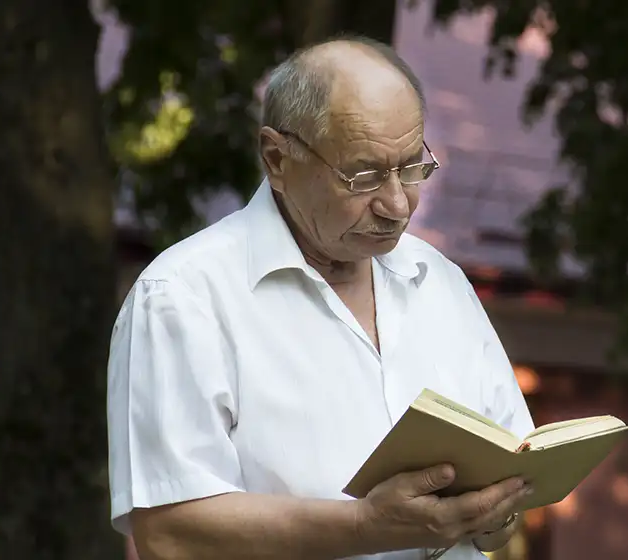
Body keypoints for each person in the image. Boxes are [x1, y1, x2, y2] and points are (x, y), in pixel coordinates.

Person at [107, 35, 535, 560]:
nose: (397, 204)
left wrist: (492, 515)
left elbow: (508, 487)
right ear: (277, 159)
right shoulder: (184, 297)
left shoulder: (440, 282)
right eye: (365, 175)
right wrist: (364, 525)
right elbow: (170, 533)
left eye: (410, 167)